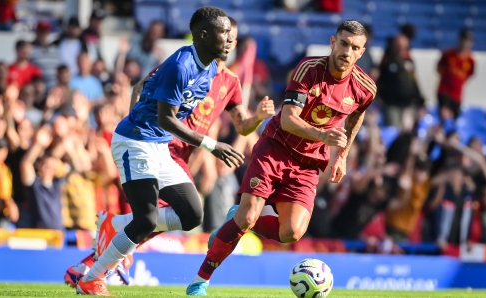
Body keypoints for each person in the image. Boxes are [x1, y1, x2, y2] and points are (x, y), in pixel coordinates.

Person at [65, 15, 275, 288]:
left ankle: (112, 232)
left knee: (186, 216)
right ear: (205, 36)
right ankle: (92, 272)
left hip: (172, 147)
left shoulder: (224, 78)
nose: (231, 40)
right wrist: (136, 124)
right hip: (154, 141)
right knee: (147, 220)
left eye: (232, 36)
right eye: (225, 33)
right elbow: (145, 89)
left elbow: (243, 127)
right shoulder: (182, 63)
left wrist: (258, 117)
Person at [186, 20, 376, 296]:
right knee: (249, 214)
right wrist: (324, 137)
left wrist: (343, 156)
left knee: (291, 232)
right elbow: (288, 120)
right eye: (344, 44)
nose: (347, 51)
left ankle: (236, 222)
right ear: (333, 42)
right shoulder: (309, 70)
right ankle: (199, 282)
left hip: (309, 163)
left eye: (355, 48)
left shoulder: (365, 87)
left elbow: (358, 114)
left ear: (362, 52)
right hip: (276, 148)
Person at [437, 29, 475, 120]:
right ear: (459, 39)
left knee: (453, 119)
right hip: (444, 91)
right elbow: (439, 68)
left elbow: (469, 75)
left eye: (468, 41)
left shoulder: (470, 61)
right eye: (464, 40)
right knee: (445, 116)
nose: (465, 43)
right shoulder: (448, 54)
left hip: (457, 95)